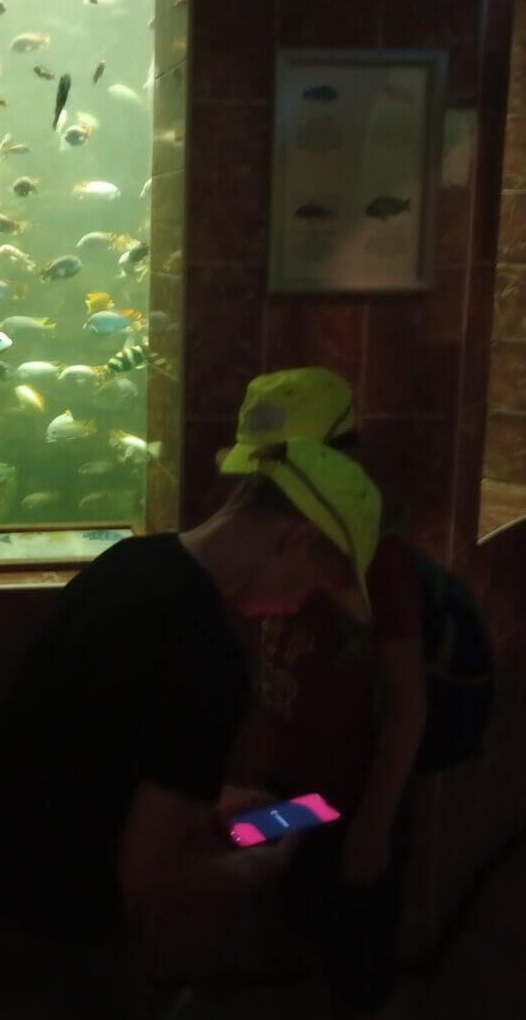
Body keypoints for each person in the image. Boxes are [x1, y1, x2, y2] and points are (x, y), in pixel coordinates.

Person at [0, 437, 383, 1019]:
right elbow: (146, 876)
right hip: (37, 909)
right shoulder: (211, 660)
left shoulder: (132, 559)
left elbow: (89, 735)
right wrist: (254, 867)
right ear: (293, 541)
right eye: (315, 586)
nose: (299, 607)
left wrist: (203, 797)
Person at [215, 368, 428, 1015]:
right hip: (287, 791)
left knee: (356, 945)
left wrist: (374, 827)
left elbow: (407, 703)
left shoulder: (374, 561)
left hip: (352, 801)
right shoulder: (273, 543)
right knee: (299, 915)